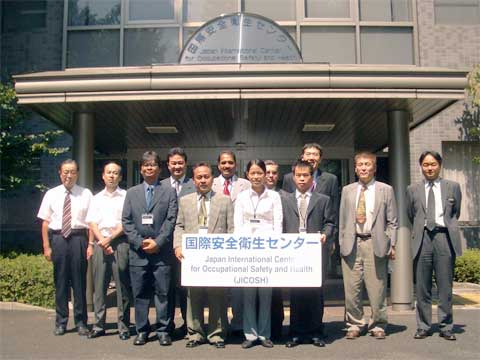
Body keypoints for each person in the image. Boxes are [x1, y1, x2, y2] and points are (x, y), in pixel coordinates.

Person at [173, 162, 234, 348]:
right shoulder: (185, 200)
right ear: (194, 179)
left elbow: (232, 229)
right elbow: (179, 226)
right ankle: (195, 334)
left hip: (216, 256)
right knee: (194, 296)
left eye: (206, 176)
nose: (203, 180)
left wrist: (228, 252)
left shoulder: (224, 200)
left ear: (212, 178)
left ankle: (216, 334)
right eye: (199, 177)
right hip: (193, 256)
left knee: (217, 296)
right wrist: (177, 246)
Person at [339, 152, 397, 340]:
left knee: (377, 287)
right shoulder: (347, 190)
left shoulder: (385, 189)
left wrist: (391, 243)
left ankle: (378, 324)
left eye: (367, 164)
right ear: (355, 168)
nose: (363, 168)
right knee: (352, 288)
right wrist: (341, 241)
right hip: (352, 242)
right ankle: (355, 323)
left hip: (375, 242)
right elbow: (343, 220)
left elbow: (392, 221)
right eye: (360, 165)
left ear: (374, 167)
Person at [122, 151, 178, 346]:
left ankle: (163, 330)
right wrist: (140, 242)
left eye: (152, 165)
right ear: (141, 169)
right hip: (138, 253)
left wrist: (158, 242)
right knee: (140, 293)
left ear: (159, 168)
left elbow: (171, 220)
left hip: (161, 252)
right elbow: (126, 221)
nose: (149, 168)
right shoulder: (132, 192)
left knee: (163, 292)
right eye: (145, 165)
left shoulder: (169, 191)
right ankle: (142, 330)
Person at [407, 150, 462, 341]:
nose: (429, 168)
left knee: (445, 285)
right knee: (422, 285)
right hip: (422, 238)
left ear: (439, 165)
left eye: (433, 164)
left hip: (444, 237)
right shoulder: (412, 189)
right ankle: (423, 326)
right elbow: (410, 215)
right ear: (421, 166)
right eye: (425, 165)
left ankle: (446, 326)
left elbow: (456, 212)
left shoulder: (452, 187)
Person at [281, 160, 335, 348]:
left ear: (312, 177)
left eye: (306, 175)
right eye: (298, 175)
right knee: (296, 294)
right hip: (293, 253)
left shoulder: (323, 199)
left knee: (315, 293)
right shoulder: (284, 199)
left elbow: (330, 223)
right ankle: (295, 333)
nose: (302, 179)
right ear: (293, 177)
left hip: (315, 252)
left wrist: (325, 235)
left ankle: (316, 332)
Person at [37, 159, 93, 336]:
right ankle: (61, 322)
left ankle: (81, 322)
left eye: (73, 172)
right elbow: (45, 223)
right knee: (60, 281)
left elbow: (91, 223)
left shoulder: (86, 194)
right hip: (59, 239)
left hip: (78, 239)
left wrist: (90, 244)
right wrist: (46, 246)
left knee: (79, 282)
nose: (69, 175)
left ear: (77, 173)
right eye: (66, 172)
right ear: (60, 173)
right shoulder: (51, 194)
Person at [234, 159, 283, 349]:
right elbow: (238, 224)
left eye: (259, 173)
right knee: (248, 294)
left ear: (265, 174)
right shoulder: (242, 196)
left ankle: (264, 334)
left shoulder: (274, 197)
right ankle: (250, 334)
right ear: (247, 175)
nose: (256, 176)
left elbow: (277, 222)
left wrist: (275, 245)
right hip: (247, 248)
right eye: (252, 173)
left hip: (267, 249)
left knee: (265, 293)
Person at [86, 162, 131, 341]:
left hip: (120, 242)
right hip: (100, 243)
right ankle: (98, 325)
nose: (112, 176)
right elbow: (92, 222)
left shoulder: (126, 196)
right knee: (100, 286)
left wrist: (110, 239)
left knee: (122, 287)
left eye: (115, 173)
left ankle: (124, 326)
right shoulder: (95, 198)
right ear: (103, 176)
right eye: (108, 173)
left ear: (120, 177)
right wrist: (102, 241)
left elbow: (126, 222)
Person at [282, 143, 339, 276]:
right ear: (302, 156)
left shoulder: (331, 179)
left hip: (317, 240)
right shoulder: (289, 178)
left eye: (315, 154)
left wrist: (331, 238)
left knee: (317, 278)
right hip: (293, 240)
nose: (311, 157)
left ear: (320, 158)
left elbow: (333, 212)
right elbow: (286, 207)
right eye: (308, 154)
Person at [211, 150, 250, 335]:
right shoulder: (210, 184)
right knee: (218, 287)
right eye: (223, 163)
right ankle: (220, 325)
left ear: (236, 164)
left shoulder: (246, 184)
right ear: (218, 165)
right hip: (218, 241)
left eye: (230, 162)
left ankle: (239, 323)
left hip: (240, 241)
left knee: (238, 288)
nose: (227, 166)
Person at [161, 147, 195, 336]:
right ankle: (166, 324)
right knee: (166, 287)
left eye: (180, 162)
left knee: (184, 286)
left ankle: (187, 324)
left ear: (185, 164)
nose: (177, 166)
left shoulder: (194, 183)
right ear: (168, 165)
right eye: (173, 163)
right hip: (164, 245)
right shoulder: (161, 185)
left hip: (185, 244)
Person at [264, 160, 284, 340]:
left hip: (279, 250)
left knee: (276, 292)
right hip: (257, 251)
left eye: (274, 172)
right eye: (267, 172)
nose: (270, 176)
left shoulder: (285, 196)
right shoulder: (250, 195)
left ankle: (277, 329)